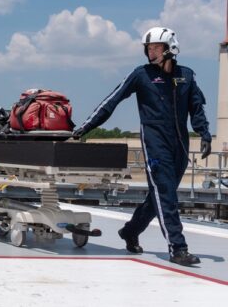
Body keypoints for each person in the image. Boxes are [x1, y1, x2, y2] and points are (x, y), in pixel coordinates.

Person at [73, 27, 211, 267]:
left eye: (156, 47)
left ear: (170, 48)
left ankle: (130, 231)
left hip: (180, 145)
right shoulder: (141, 75)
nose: (151, 52)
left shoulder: (187, 75)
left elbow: (196, 107)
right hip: (155, 144)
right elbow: (112, 100)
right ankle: (178, 248)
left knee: (159, 195)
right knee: (166, 195)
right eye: (148, 48)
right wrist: (85, 127)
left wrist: (205, 134)